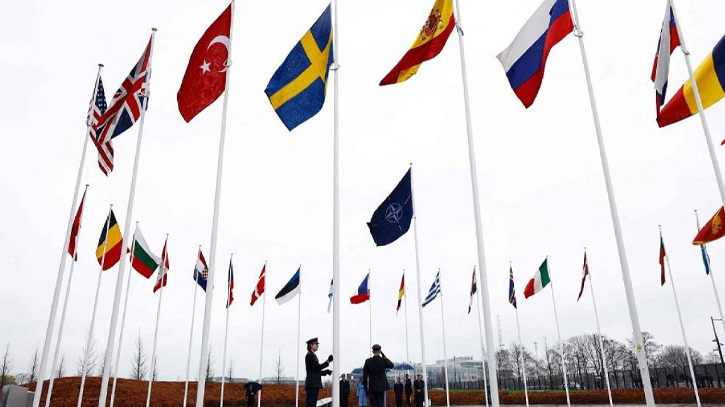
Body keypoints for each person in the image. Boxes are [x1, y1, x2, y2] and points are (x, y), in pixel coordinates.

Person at [304, 337, 333, 407]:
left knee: (312, 404)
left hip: (313, 384)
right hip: (312, 384)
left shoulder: (312, 355)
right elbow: (318, 367)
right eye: (316, 344)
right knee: (310, 404)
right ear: (311, 345)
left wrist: (325, 372)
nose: (318, 345)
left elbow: (315, 370)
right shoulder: (310, 356)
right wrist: (328, 361)